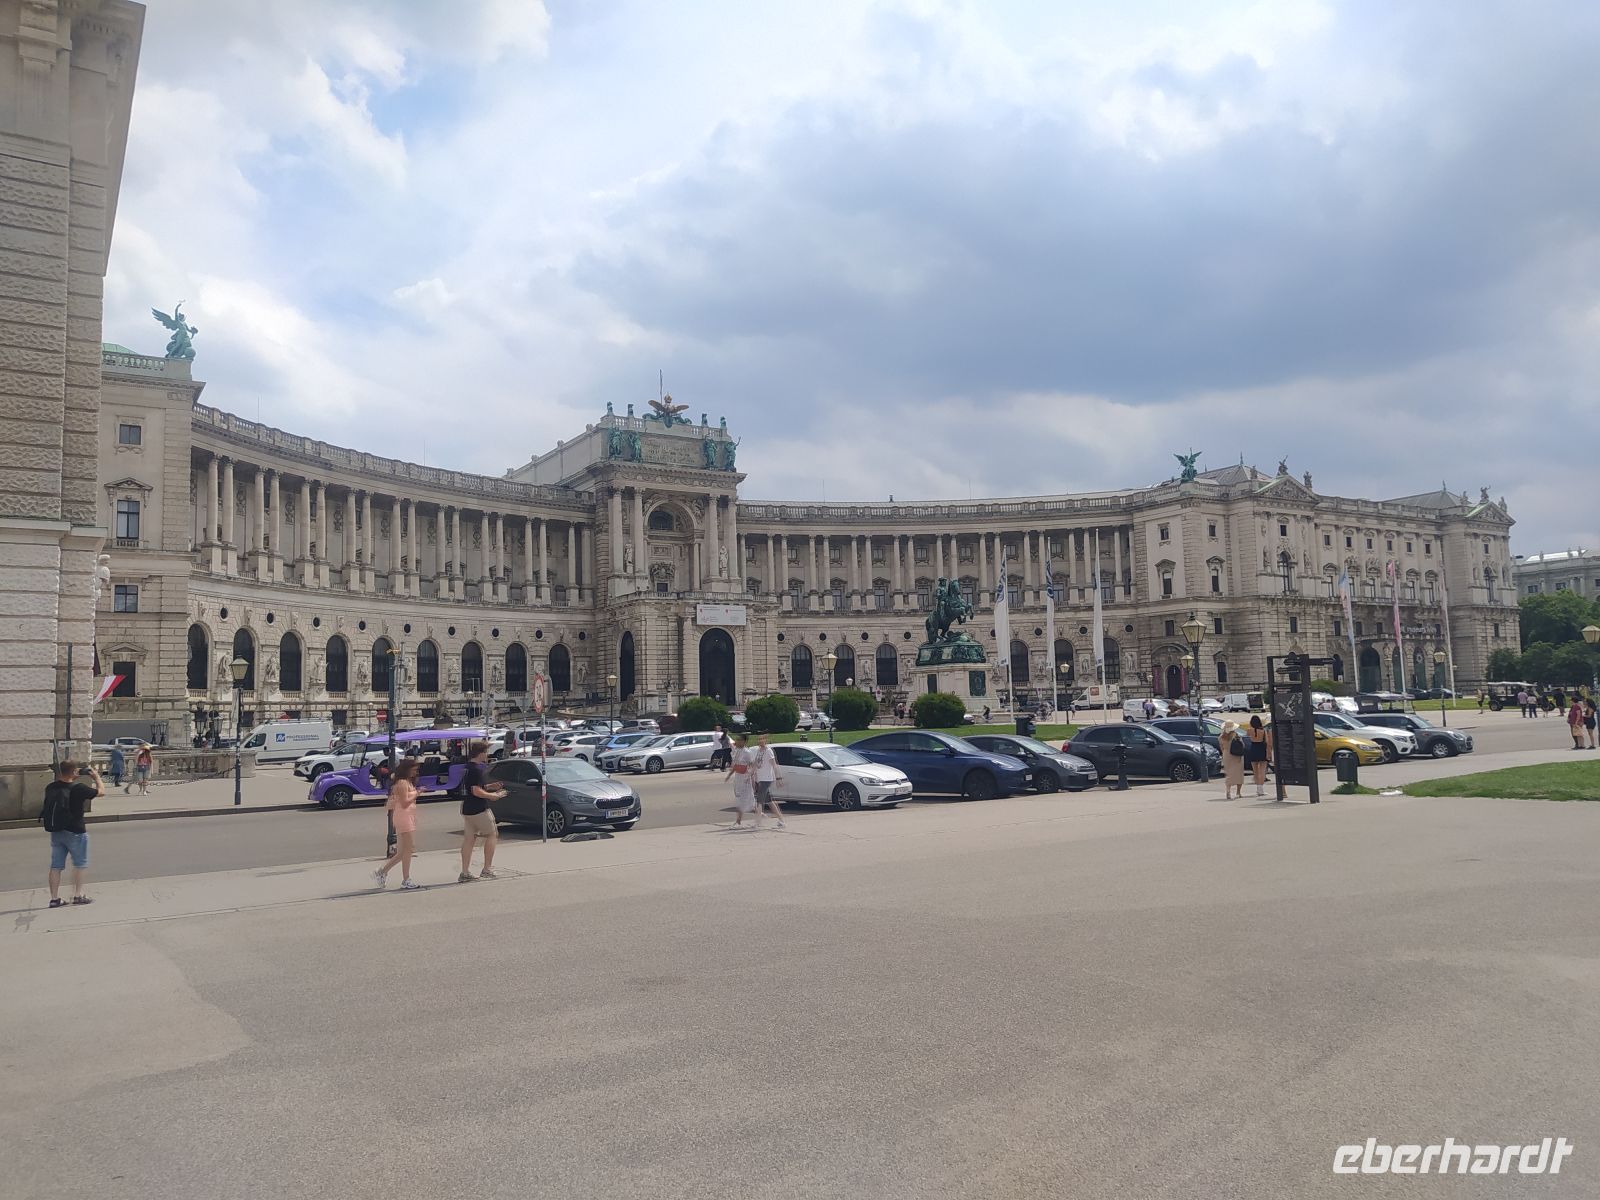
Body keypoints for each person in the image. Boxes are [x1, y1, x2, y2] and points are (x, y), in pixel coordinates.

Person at [42, 760, 102, 907]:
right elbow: (101, 792)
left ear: (60, 771)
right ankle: (78, 895)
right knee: (80, 864)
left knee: (56, 866)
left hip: (57, 831)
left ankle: (54, 899)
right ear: (75, 772)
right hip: (76, 830)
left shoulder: (50, 787)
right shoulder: (79, 788)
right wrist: (96, 778)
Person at [457, 740, 505, 882]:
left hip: (467, 808)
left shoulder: (467, 767)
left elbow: (476, 786)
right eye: (486, 752)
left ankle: (465, 872)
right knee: (492, 834)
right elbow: (476, 790)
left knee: (469, 839)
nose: (487, 755)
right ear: (481, 753)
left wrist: (490, 786)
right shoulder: (477, 769)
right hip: (479, 808)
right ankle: (487, 869)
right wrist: (494, 796)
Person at [373, 759, 423, 890]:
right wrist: (417, 793)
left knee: (402, 852)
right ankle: (406, 879)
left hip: (406, 817)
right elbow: (405, 802)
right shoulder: (402, 783)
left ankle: (382, 872)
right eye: (413, 769)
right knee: (409, 849)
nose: (415, 772)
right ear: (407, 769)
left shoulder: (405, 782)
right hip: (403, 817)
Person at [725, 734, 759, 829]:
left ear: (744, 741)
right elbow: (735, 765)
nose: (738, 741)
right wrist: (729, 775)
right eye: (737, 740)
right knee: (740, 800)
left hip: (745, 779)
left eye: (740, 740)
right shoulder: (737, 751)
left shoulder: (747, 752)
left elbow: (753, 765)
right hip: (738, 778)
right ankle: (739, 821)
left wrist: (750, 776)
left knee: (747, 801)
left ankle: (758, 817)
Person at [752, 732, 785, 829]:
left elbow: (774, 765)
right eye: (758, 739)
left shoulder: (768, 751)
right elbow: (755, 764)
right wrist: (751, 774)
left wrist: (778, 777)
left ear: (765, 740)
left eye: (762, 739)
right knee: (769, 801)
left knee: (759, 801)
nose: (760, 741)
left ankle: (757, 823)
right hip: (760, 779)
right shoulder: (758, 751)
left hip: (766, 779)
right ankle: (781, 820)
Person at [1218, 721, 1246, 801]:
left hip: (1226, 755)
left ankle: (1228, 791)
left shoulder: (1221, 737)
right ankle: (1238, 792)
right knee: (1239, 773)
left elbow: (1221, 747)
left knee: (1229, 774)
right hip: (1236, 755)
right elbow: (1242, 745)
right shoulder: (1236, 736)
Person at [1246, 715, 1271, 797]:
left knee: (1255, 771)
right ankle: (1260, 789)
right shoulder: (1263, 731)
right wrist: (1268, 753)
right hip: (1261, 749)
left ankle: (1257, 788)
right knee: (1262, 770)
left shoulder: (1249, 730)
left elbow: (1248, 736)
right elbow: (1267, 742)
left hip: (1253, 749)